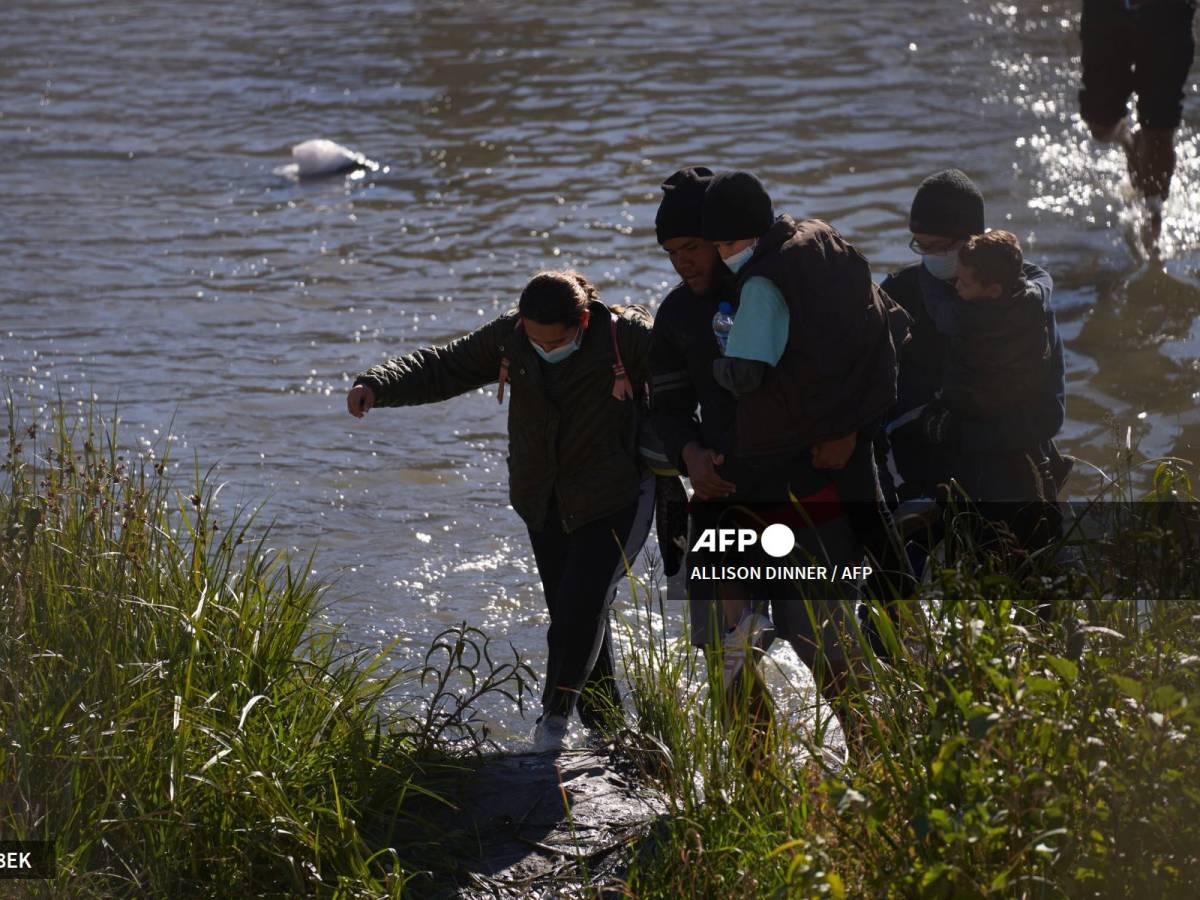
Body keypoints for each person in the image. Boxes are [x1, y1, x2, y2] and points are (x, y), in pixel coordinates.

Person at [346, 270, 655, 752]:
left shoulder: (625, 338)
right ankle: (608, 728)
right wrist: (378, 384)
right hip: (544, 502)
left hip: (615, 499)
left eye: (554, 341)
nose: (543, 348)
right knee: (574, 615)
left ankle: (551, 727)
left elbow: (688, 377)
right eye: (534, 339)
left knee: (580, 609)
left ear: (583, 320)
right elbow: (443, 367)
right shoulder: (509, 337)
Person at [696, 170, 906, 718]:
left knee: (810, 624)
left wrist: (713, 363)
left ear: (745, 234)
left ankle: (862, 740)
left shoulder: (763, 282)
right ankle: (891, 733)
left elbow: (747, 373)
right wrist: (852, 426)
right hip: (847, 451)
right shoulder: (822, 241)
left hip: (792, 473)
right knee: (864, 586)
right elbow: (887, 323)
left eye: (724, 244)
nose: (722, 256)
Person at [880, 169, 1067, 508]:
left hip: (1010, 481)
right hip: (920, 484)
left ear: (973, 240)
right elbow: (873, 396)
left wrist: (964, 434)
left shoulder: (1023, 304)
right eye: (920, 246)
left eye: (939, 247)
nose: (929, 256)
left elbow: (1049, 414)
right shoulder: (898, 294)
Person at [1078, 0, 1197, 245]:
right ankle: (1126, 138)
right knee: (1101, 127)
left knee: (1159, 131)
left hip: (1168, 15)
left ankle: (1153, 215)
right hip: (1106, 11)